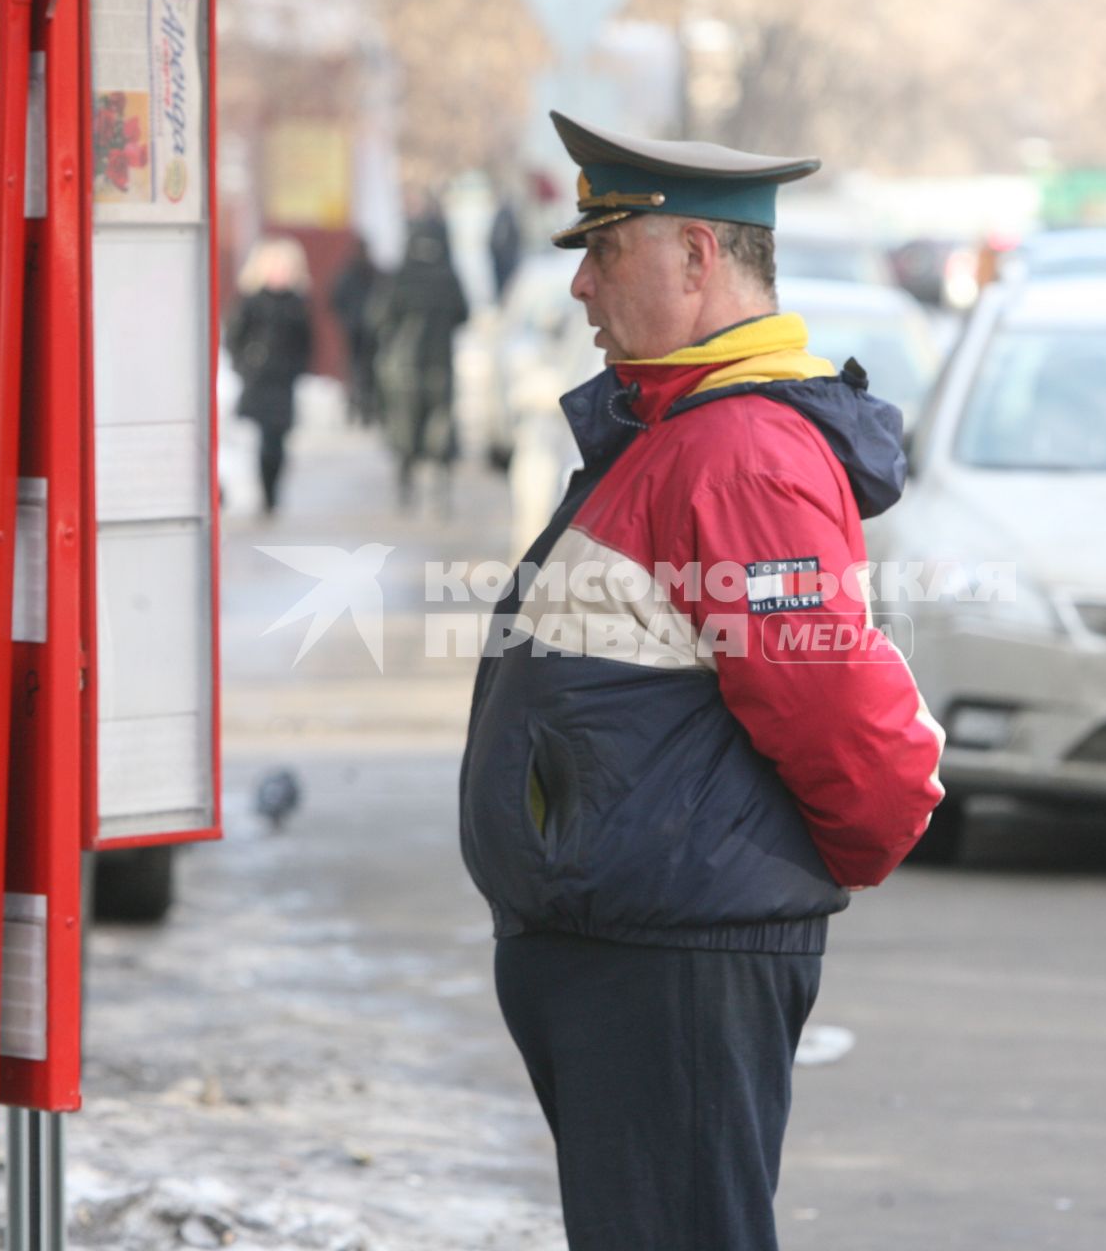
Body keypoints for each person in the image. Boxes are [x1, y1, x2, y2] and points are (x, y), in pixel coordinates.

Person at [458, 111, 947, 1250]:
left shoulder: (737, 452)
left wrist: (845, 850)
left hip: (673, 953)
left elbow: (836, 709)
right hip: (643, 943)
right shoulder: (675, 430)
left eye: (605, 249)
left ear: (696, 258)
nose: (581, 286)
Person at [369, 211, 468, 511]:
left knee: (405, 427)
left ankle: (406, 489)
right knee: (440, 424)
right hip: (439, 362)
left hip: (403, 366)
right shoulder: (448, 276)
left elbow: (377, 317)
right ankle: (441, 492)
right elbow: (463, 314)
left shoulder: (401, 276)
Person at [228, 237, 315, 517]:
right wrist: (245, 366)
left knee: (278, 439)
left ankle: (272, 493)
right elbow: (235, 338)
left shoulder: (297, 303)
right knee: (261, 438)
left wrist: (297, 368)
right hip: (258, 378)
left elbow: (306, 342)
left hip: (283, 379)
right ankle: (266, 495)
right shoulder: (251, 301)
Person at [328, 234, 382, 426]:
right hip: (368, 329)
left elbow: (334, 299)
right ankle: (362, 406)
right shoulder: (373, 274)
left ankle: (357, 405)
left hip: (356, 329)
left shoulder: (349, 273)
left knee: (355, 368)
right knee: (366, 369)